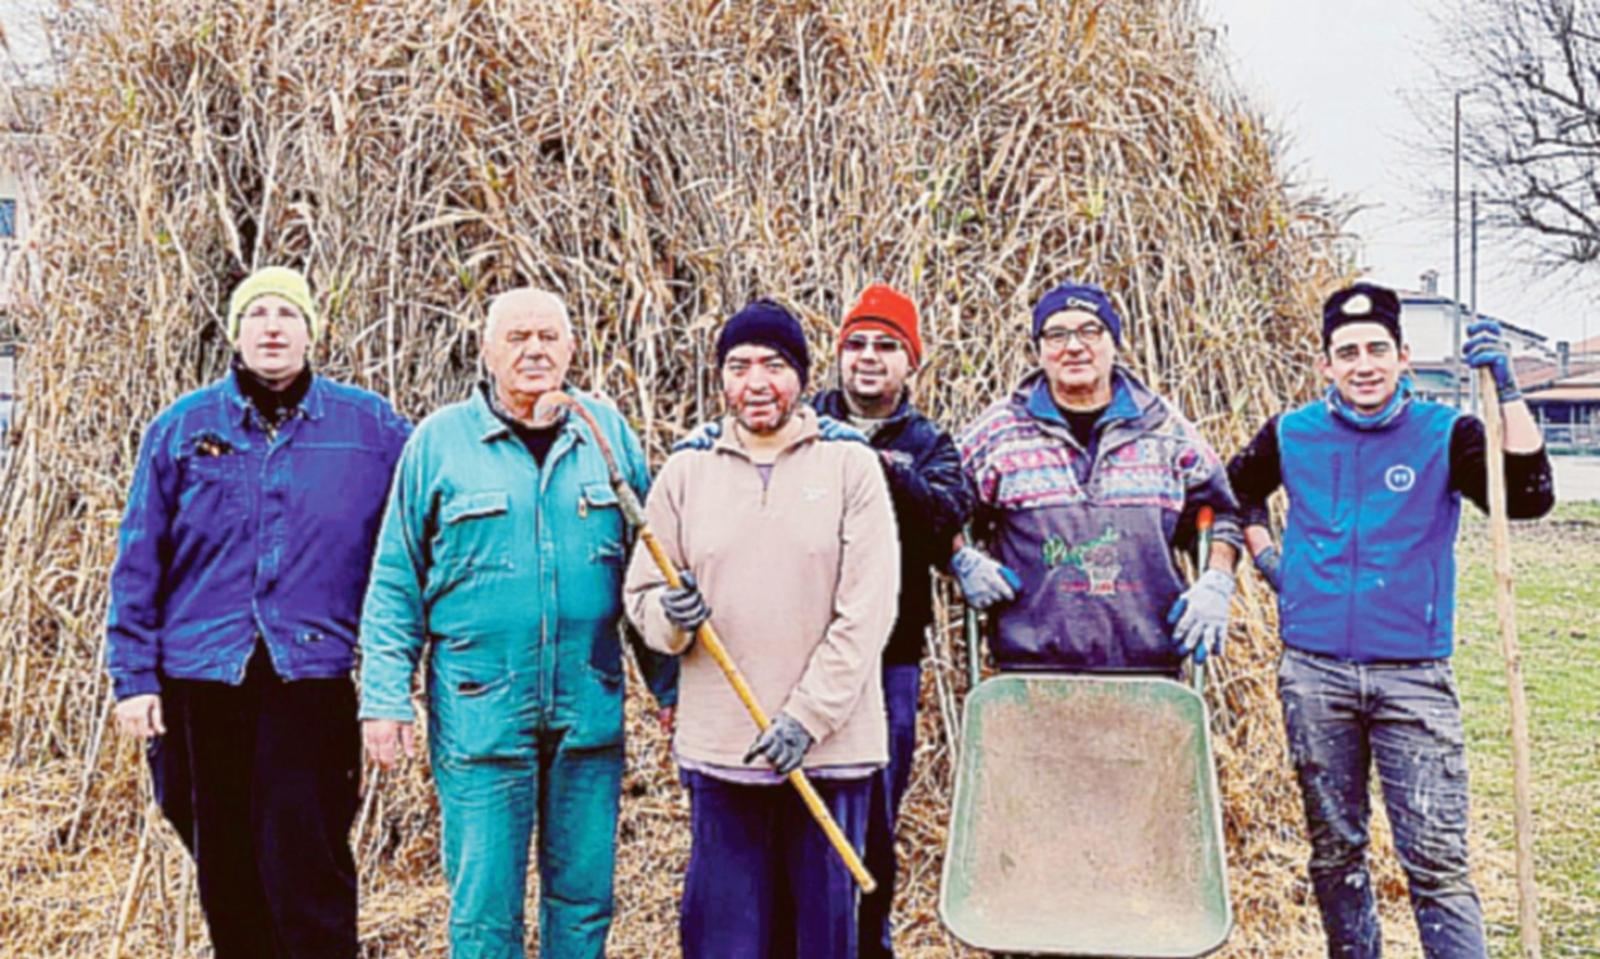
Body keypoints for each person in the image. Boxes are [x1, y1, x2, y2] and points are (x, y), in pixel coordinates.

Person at [1227, 282, 1555, 958]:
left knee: (1435, 858)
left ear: (1404, 356)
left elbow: (1528, 498)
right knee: (1336, 851)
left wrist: (1509, 390)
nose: (1363, 364)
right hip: (1314, 673)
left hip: (1413, 674)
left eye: (1378, 348)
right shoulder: (1293, 433)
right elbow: (1234, 492)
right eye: (1347, 352)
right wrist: (1268, 561)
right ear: (1326, 365)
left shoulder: (1447, 434)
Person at [357, 288, 677, 959]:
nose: (534, 350)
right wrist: (386, 698)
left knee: (585, 897)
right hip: (480, 713)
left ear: (570, 347)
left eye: (548, 336)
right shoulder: (439, 443)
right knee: (483, 906)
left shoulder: (604, 430)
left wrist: (672, 689)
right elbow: (395, 579)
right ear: (486, 350)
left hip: (588, 705)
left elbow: (648, 568)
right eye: (517, 337)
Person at [106, 265, 411, 958]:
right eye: (258, 315)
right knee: (225, 863)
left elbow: (424, 529)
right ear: (236, 332)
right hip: (203, 676)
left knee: (308, 859)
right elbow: (139, 556)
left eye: (288, 314)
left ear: (311, 330)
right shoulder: (184, 428)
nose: (273, 327)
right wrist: (134, 676)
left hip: (310, 674)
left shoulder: (370, 429)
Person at [624, 299, 899, 959]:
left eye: (774, 365)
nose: (756, 382)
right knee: (726, 937)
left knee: (822, 938)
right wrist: (671, 615)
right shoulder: (688, 470)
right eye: (739, 365)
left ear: (801, 377)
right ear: (722, 379)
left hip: (828, 754)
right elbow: (642, 593)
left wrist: (808, 716)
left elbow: (868, 607)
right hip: (725, 751)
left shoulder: (849, 465)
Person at [954, 282, 1243, 674]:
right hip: (1030, 673)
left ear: (1114, 342)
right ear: (1039, 349)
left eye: (1090, 331)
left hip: (1147, 670)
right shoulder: (998, 433)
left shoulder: (1166, 431)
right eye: (1057, 334)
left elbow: (1222, 515)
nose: (1074, 346)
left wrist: (1218, 579)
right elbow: (942, 507)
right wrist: (960, 555)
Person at [810, 284, 971, 959]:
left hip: (890, 661)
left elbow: (946, 517)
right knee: (797, 811)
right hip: (800, 652)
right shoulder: (796, 419)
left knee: (875, 816)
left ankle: (868, 943)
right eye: (857, 344)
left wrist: (876, 463)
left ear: (912, 362)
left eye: (886, 346)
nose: (868, 358)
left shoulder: (930, 443)